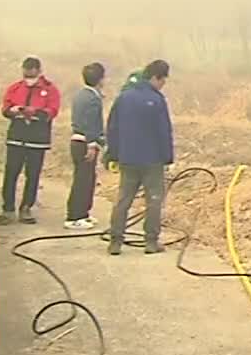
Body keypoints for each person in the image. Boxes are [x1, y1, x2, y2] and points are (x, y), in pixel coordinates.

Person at [106, 59, 175, 255]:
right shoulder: (157, 100)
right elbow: (164, 131)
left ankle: (115, 241)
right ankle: (151, 242)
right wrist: (168, 157)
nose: (163, 85)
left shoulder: (123, 97)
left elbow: (113, 128)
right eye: (163, 81)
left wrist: (114, 154)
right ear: (155, 77)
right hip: (152, 160)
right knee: (154, 200)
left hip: (128, 158)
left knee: (123, 199)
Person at [0, 57, 60, 225]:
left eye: (32, 73)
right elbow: (5, 108)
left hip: (37, 139)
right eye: (26, 73)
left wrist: (36, 112)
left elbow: (53, 110)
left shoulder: (50, 89)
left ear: (39, 71)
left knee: (33, 175)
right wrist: (14, 110)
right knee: (11, 173)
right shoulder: (15, 88)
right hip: (16, 136)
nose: (29, 77)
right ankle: (8, 208)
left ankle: (26, 207)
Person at [64, 61, 108, 229]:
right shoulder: (92, 98)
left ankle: (84, 213)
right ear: (100, 79)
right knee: (83, 180)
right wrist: (92, 143)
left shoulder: (81, 95)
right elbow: (91, 122)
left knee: (88, 178)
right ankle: (74, 216)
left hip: (78, 141)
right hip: (84, 142)